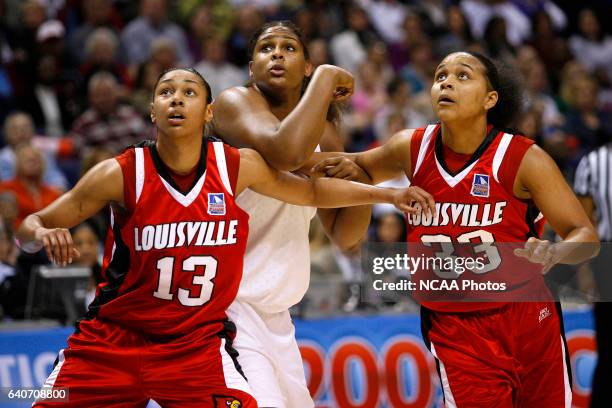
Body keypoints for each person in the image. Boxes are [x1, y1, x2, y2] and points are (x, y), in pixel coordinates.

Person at [16, 67, 432, 407]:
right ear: (152, 111)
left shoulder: (236, 166)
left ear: (209, 111)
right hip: (113, 342)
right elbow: (28, 227)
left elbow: (310, 191)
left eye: (189, 92)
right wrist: (42, 232)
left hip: (194, 348)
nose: (176, 98)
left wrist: (388, 193)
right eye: (166, 92)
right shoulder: (121, 172)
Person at [314, 51, 599, 407]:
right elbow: (341, 168)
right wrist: (317, 110)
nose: (445, 82)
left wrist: (556, 251)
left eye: (463, 76)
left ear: (490, 99)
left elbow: (586, 236)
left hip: (529, 320)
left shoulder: (523, 158)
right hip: (455, 328)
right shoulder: (411, 147)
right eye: (439, 76)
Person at [211, 21, 373, 407]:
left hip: (277, 314)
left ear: (304, 65)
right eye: (267, 48)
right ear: (252, 69)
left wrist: (363, 178)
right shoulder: (235, 102)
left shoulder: (325, 134)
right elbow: (286, 152)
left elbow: (347, 237)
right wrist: (327, 76)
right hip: (226, 304)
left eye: (288, 47)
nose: (277, 54)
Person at [573, 144, 612, 408]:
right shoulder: (592, 162)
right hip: (607, 260)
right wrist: (585, 273)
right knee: (608, 351)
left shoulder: (593, 161)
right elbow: (583, 225)